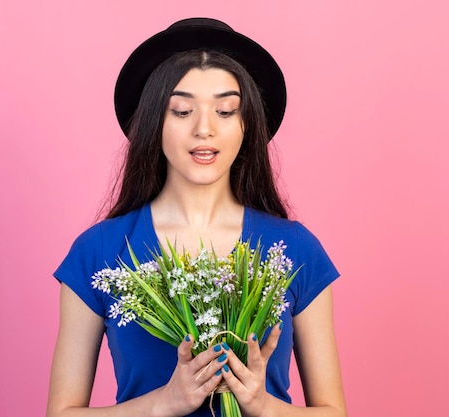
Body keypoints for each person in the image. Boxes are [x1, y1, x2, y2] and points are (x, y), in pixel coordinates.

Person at [47, 17, 347, 417]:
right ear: (154, 123)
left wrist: (262, 406)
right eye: (182, 110)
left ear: (247, 126)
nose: (204, 129)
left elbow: (333, 411)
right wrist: (164, 403)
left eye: (225, 111)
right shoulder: (99, 251)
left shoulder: (295, 249)